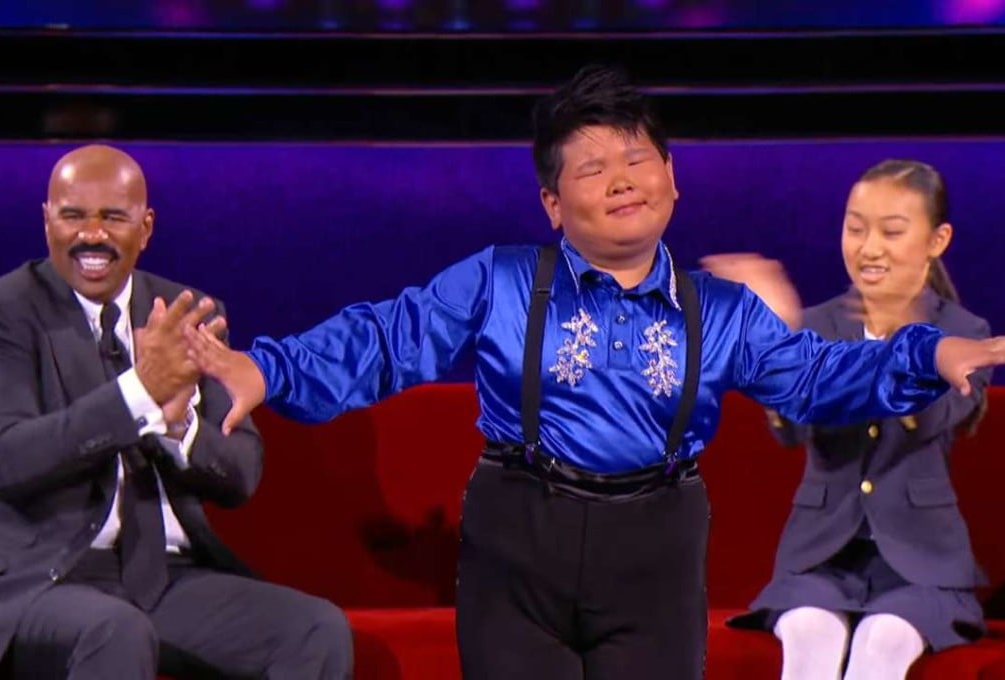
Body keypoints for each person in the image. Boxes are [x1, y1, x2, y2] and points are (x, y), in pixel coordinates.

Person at [185, 66, 1005, 680]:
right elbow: (387, 339)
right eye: (591, 167)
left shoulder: (718, 309)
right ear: (551, 203)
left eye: (638, 160)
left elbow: (820, 377)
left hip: (657, 543)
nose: (621, 180)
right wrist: (267, 371)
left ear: (673, 181)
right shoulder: (502, 280)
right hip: (519, 539)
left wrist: (928, 351)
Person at [0, 144, 353, 679]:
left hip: (163, 577)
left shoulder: (188, 312)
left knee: (315, 629)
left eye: (113, 217)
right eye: (72, 216)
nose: (92, 235)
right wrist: (139, 393)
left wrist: (181, 426)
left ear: (146, 226)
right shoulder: (1, 313)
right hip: (43, 578)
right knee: (114, 630)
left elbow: (241, 473)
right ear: (47, 222)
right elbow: (6, 460)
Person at [726, 160, 991, 679]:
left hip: (922, 566)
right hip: (819, 558)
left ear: (938, 240)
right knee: (808, 633)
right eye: (855, 227)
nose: (869, 247)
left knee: (882, 642)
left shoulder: (963, 330)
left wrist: (908, 342)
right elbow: (791, 429)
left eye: (892, 231)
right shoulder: (817, 326)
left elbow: (934, 418)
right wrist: (777, 348)